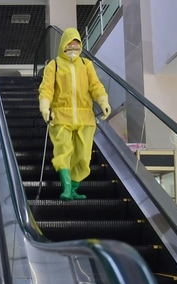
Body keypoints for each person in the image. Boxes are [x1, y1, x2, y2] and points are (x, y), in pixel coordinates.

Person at [38, 27, 111, 200]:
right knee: (63, 151)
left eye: (76, 44)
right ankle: (66, 187)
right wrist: (44, 106)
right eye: (69, 44)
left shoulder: (86, 65)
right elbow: (46, 89)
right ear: (63, 44)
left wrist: (103, 101)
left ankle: (74, 188)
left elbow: (95, 85)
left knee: (83, 157)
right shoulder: (53, 65)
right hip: (61, 116)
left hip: (85, 118)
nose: (72, 48)